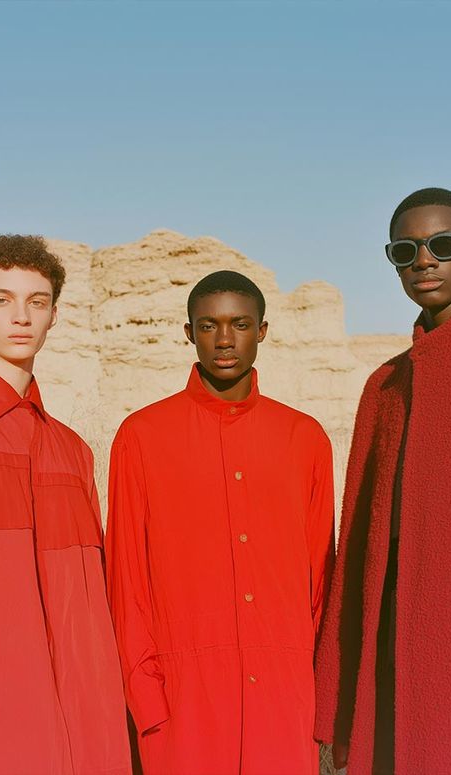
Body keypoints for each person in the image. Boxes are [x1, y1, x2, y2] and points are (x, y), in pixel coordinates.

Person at [106, 270, 335, 775]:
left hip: (286, 699)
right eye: (209, 326)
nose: (225, 340)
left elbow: (322, 581)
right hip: (183, 703)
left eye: (240, 324)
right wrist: (147, 700)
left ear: (263, 331)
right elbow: (127, 580)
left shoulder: (305, 438)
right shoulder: (141, 437)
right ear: (189, 333)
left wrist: (322, 699)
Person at [314, 188, 451, 775]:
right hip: (392, 646)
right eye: (405, 250)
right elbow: (358, 545)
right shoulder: (383, 386)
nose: (423, 261)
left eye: (441, 245)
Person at [0, 234, 132, 775]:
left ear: (54, 315)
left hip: (84, 726)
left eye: (36, 302)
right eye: (0, 299)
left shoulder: (72, 451)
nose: (21, 316)